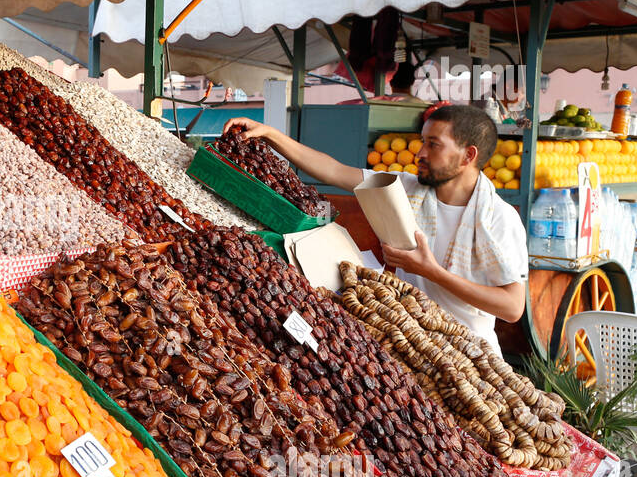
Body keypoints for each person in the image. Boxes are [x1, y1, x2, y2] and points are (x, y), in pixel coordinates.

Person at [223, 105, 527, 354]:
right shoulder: (404, 189)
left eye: (433, 145)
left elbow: (512, 307)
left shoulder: (497, 219)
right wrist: (271, 134)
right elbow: (334, 171)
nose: (419, 153)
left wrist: (432, 272)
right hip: (406, 341)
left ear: (468, 156)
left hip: (469, 355)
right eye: (422, 141)